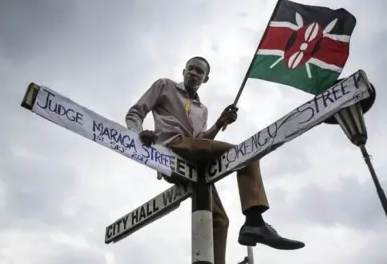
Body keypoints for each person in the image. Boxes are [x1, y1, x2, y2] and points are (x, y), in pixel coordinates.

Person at [125, 56, 305, 264]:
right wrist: (139, 135)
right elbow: (134, 113)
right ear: (183, 71)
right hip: (172, 149)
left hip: (194, 164)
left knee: (220, 220)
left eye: (199, 71)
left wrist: (219, 123)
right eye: (190, 68)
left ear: (206, 78)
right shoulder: (164, 85)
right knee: (246, 153)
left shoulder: (202, 110)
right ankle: (255, 220)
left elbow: (201, 141)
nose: (194, 73)